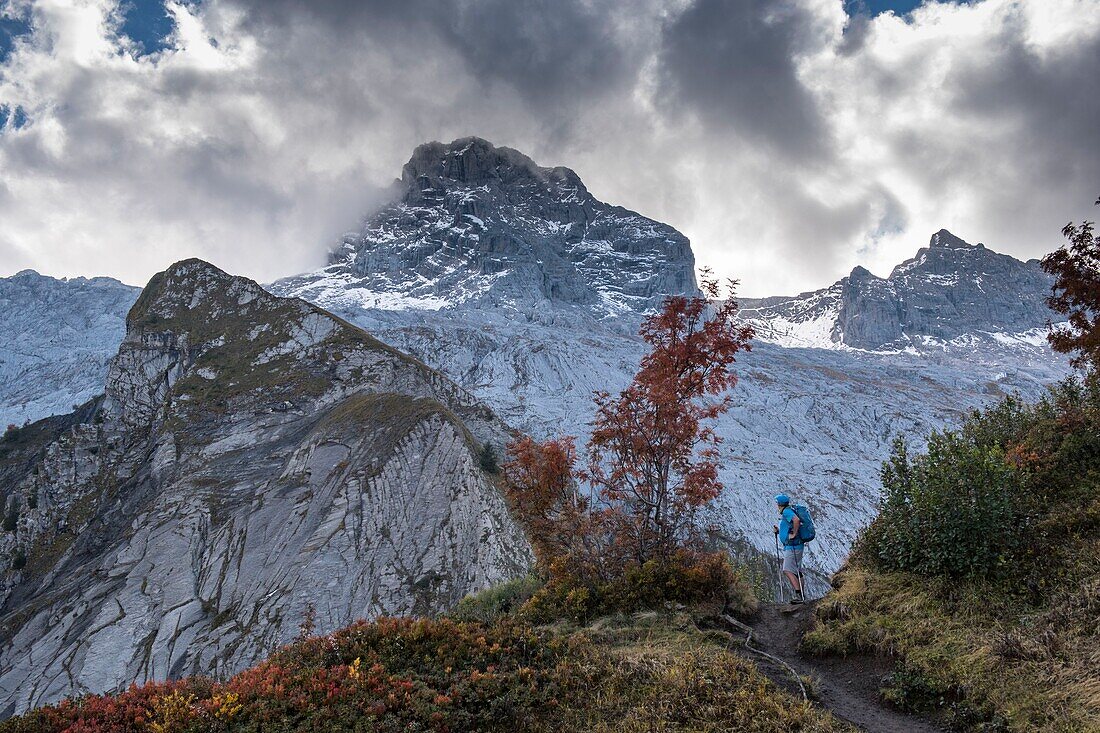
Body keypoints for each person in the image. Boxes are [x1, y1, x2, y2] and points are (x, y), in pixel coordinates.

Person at [772, 493, 804, 603]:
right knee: (796, 571)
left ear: (780, 504)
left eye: (777, 503)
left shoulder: (786, 511)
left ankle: (799, 596)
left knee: (787, 570)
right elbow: (789, 525)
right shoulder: (788, 511)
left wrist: (794, 534)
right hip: (795, 545)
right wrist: (780, 531)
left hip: (792, 546)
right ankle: (802, 595)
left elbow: (796, 520)